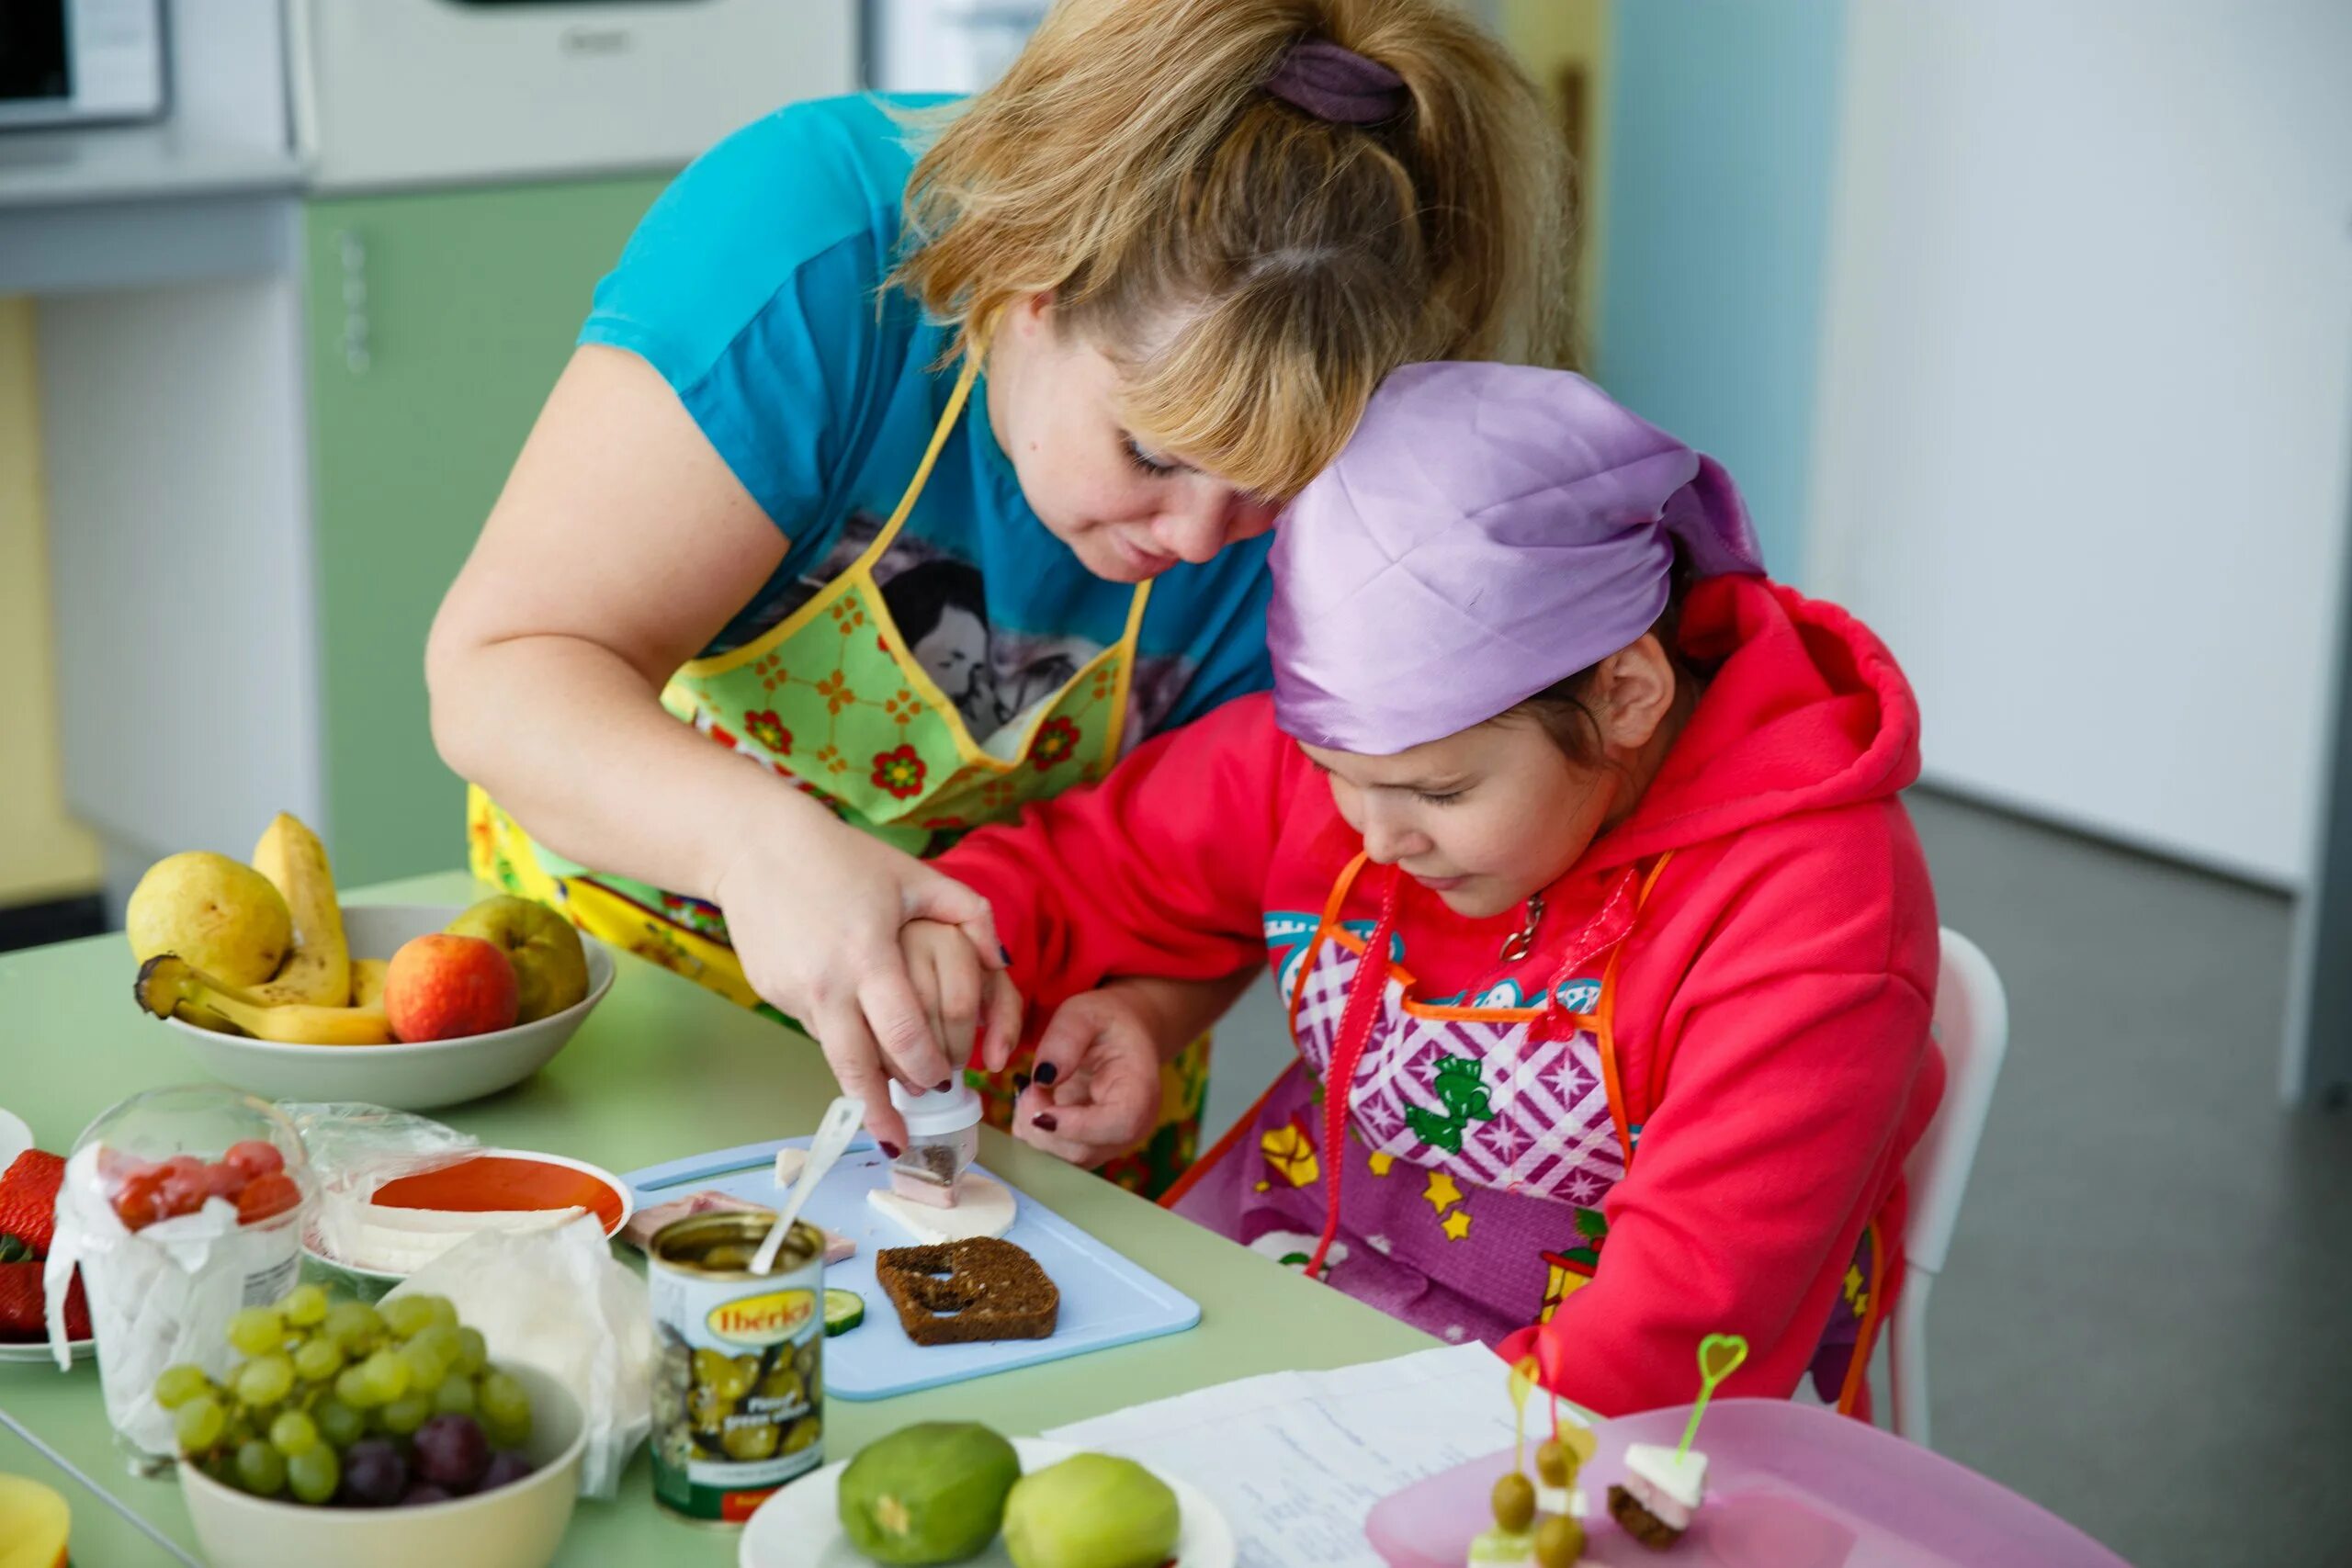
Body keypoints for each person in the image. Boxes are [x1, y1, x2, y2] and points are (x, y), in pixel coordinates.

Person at [425, 0, 1572, 1191]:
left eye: (1266, 492)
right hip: (657, 1021)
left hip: (1012, 1106)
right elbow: (500, 668)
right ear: (1035, 285)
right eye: (1154, 456)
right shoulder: (807, 254)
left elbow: (1237, 833)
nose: (1196, 539)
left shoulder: (1361, 457)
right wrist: (755, 844)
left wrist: (1152, 1010)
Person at [911, 363, 1946, 1414]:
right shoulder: (1366, 761)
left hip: (1595, 1434)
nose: (1375, 835)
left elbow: (1677, 1328)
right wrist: (934, 959)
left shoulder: (1812, 906)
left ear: (1626, 694)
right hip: (1308, 1306)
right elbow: (1080, 871)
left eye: (1437, 792)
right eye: (1333, 776)